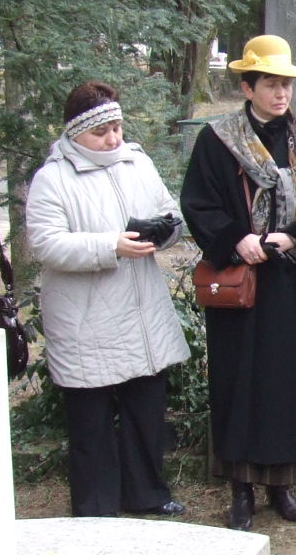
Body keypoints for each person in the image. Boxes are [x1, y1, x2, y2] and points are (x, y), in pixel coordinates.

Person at [180, 35, 296, 531]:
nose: (281, 94)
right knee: (241, 382)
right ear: (247, 87)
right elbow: (199, 203)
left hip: (292, 281)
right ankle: (241, 489)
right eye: (271, 84)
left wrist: (294, 237)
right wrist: (237, 240)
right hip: (242, 284)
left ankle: (283, 485)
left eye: (286, 85)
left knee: (288, 382)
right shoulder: (218, 141)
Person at [25, 82, 190, 519]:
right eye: (101, 132)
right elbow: (46, 243)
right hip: (85, 316)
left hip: (140, 310)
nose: (113, 139)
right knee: (91, 419)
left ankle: (147, 493)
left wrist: (165, 229)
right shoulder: (53, 178)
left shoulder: (138, 163)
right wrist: (109, 245)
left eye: (117, 128)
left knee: (145, 410)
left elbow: (168, 208)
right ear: (75, 132)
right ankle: (95, 506)